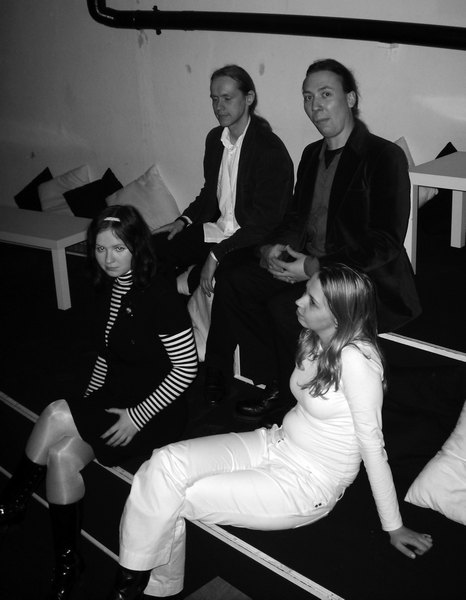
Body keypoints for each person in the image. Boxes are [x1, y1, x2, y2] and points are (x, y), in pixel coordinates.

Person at [107, 263, 433, 600]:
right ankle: (138, 581)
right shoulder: (314, 338)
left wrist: (394, 526)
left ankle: (135, 588)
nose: (298, 301)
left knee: (172, 496)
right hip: (275, 442)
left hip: (308, 482)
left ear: (339, 316)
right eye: (305, 292)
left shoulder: (358, 362)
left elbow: (373, 448)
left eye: (312, 301)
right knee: (163, 463)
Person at [0, 205, 198, 600]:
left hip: (155, 410)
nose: (108, 259)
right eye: (100, 249)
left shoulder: (159, 294)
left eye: (118, 249)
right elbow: (107, 355)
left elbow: (186, 368)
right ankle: (68, 562)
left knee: (57, 411)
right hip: (119, 394)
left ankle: (13, 500)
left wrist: (137, 417)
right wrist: (88, 403)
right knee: (61, 456)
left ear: (137, 247)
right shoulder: (112, 285)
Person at [208, 58, 421, 420]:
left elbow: (385, 241)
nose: (315, 106)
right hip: (308, 261)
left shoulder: (383, 156)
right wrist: (272, 247)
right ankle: (274, 378)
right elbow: (296, 217)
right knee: (233, 277)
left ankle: (293, 398)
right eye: (308, 97)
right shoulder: (311, 154)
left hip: (359, 277)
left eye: (325, 94)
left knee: (284, 307)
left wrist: (313, 267)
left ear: (350, 98)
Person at [151, 64, 294, 403]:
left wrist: (216, 255)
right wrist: (183, 221)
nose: (219, 106)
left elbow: (265, 222)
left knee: (227, 277)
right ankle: (169, 339)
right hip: (217, 230)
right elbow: (209, 195)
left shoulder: (270, 150)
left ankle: (215, 368)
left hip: (249, 241)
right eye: (214, 99)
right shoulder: (215, 140)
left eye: (227, 98)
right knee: (155, 249)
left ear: (249, 98)